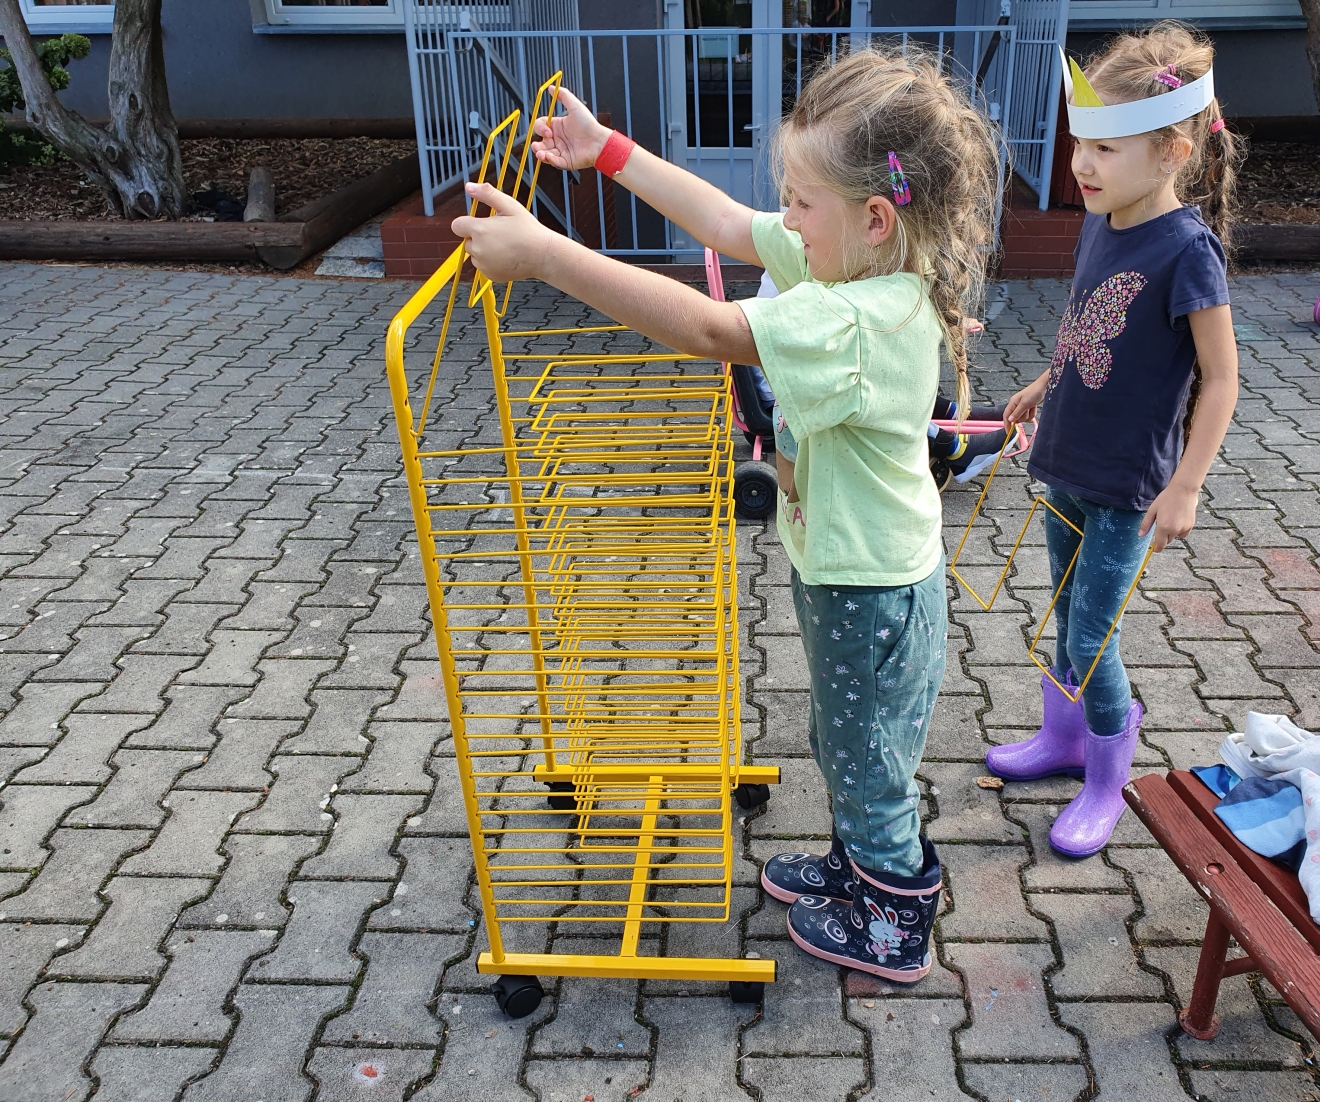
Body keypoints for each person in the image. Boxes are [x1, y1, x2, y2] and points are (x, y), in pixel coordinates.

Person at [453, 47, 999, 982]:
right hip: (857, 573)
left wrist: (547, 256)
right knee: (846, 741)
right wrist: (608, 151)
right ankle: (858, 869)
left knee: (868, 760)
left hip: (870, 591)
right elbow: (722, 221)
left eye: (800, 202)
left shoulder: (858, 318)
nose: (785, 218)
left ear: (873, 217)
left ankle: (896, 918)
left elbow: (710, 328)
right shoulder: (860, 263)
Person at [984, 22, 1241, 858]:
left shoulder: (1188, 253)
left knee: (1093, 636)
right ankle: (1064, 741)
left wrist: (1186, 485)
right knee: (1066, 614)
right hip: (1068, 459)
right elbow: (1089, 325)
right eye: (1080, 144)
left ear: (1172, 152)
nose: (1082, 166)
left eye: (1104, 148)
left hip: (1129, 485)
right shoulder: (1102, 219)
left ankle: (1106, 779)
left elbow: (1222, 379)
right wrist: (1043, 381)